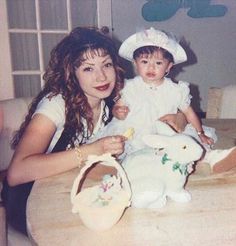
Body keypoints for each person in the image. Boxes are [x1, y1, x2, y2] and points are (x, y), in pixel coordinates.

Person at [1, 27, 128, 236]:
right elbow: (16, 173)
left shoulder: (110, 104)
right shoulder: (57, 104)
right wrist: (91, 150)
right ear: (71, 74)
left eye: (106, 64)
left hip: (70, 192)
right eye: (88, 69)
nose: (101, 76)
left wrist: (179, 117)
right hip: (29, 203)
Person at [108, 27, 236, 172]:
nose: (151, 67)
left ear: (168, 66)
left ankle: (213, 157)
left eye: (158, 63)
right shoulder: (129, 87)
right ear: (135, 64)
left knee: (189, 143)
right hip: (137, 132)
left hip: (168, 132)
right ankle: (125, 167)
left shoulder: (176, 90)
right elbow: (118, 108)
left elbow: (189, 113)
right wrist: (118, 111)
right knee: (130, 153)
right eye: (144, 62)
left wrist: (200, 133)